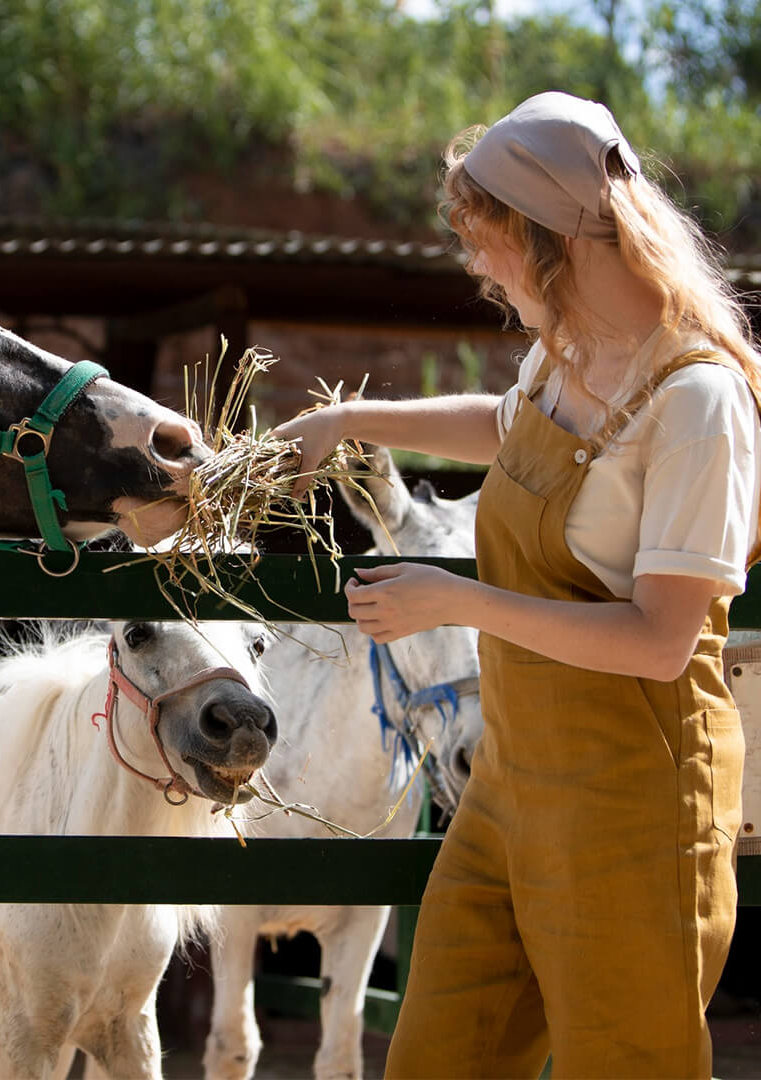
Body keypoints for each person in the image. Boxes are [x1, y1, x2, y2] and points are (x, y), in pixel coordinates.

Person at [272, 90, 760, 1079]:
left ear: (555, 242)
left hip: (632, 812)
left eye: (486, 236)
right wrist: (355, 422)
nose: (474, 261)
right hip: (509, 787)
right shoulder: (569, 354)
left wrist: (455, 602)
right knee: (438, 1058)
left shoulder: (697, 402)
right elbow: (501, 425)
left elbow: (661, 641)